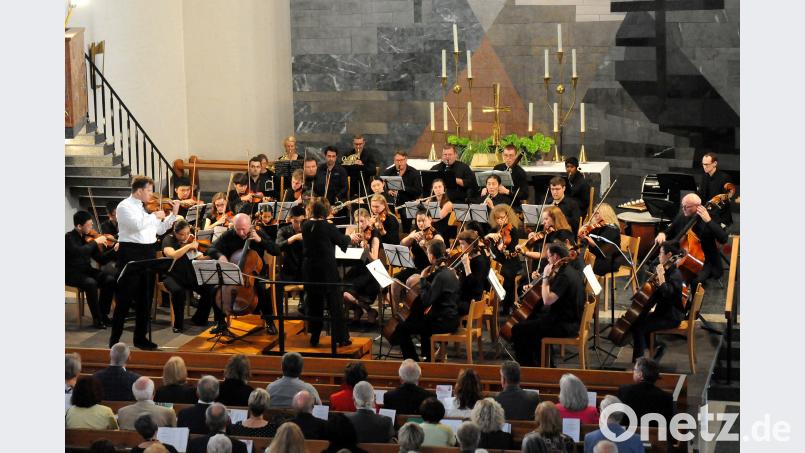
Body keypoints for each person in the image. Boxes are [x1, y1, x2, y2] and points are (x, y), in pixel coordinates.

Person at [110, 175, 179, 350]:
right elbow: (136, 226)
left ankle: (140, 339)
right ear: (139, 191)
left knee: (145, 300)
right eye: (149, 190)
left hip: (147, 253)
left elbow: (159, 229)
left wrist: (172, 216)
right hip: (131, 253)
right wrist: (154, 215)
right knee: (124, 300)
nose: (151, 194)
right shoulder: (124, 207)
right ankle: (114, 341)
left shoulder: (143, 208)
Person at [511, 243, 585, 367]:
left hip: (565, 325)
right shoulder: (569, 270)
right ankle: (545, 365)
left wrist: (545, 278)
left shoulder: (564, 276)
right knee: (534, 324)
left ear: (556, 256)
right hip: (567, 319)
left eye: (549, 256)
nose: (547, 259)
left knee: (518, 329)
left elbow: (548, 300)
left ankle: (529, 368)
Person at [206, 213, 277, 335]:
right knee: (215, 289)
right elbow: (211, 248)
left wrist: (260, 240)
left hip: (256, 274)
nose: (240, 233)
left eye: (243, 229)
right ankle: (220, 323)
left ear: (250, 226)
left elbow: (276, 250)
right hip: (233, 272)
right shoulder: (229, 234)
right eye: (237, 229)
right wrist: (220, 256)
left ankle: (269, 321)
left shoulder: (258, 233)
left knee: (261, 288)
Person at [390, 240, 460, 361]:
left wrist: (422, 279)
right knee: (423, 322)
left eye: (428, 253)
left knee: (401, 328)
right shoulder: (450, 272)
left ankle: (413, 360)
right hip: (452, 318)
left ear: (431, 256)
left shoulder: (440, 276)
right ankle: (427, 358)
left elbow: (427, 301)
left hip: (443, 322)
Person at [301, 199, 356, 347]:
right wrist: (350, 236)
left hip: (310, 270)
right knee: (335, 304)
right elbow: (342, 242)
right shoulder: (327, 226)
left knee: (314, 304)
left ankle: (315, 337)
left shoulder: (305, 225)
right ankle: (341, 338)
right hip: (326, 270)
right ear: (325, 212)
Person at [655, 193, 729, 289]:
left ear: (697, 207)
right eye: (683, 206)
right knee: (658, 264)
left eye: (687, 206)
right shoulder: (683, 215)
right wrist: (662, 234)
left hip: (706, 260)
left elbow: (724, 239)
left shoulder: (711, 217)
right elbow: (669, 231)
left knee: (695, 281)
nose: (683, 209)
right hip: (684, 254)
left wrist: (709, 221)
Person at [630, 241, 686, 362]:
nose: (659, 256)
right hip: (662, 313)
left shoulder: (675, 274)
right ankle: (656, 347)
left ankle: (638, 363)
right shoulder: (667, 270)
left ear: (669, 255)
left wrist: (660, 276)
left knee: (639, 327)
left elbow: (666, 293)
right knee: (638, 320)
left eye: (661, 253)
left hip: (671, 317)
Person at [66, 210, 117, 328]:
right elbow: (79, 252)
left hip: (86, 271)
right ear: (79, 226)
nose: (92, 226)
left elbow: (101, 259)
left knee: (109, 279)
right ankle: (97, 319)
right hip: (71, 273)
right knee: (91, 283)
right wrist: (95, 242)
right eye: (89, 225)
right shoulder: (68, 238)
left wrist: (114, 251)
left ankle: (103, 314)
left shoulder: (88, 238)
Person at [160, 219, 213, 333]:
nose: (185, 237)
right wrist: (188, 246)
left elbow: (199, 257)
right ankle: (178, 324)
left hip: (189, 275)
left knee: (209, 288)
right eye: (181, 234)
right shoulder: (168, 239)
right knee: (178, 291)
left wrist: (211, 255)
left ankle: (199, 319)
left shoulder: (189, 240)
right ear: (175, 232)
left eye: (187, 233)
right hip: (171, 276)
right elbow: (173, 254)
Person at [343, 208, 382, 324]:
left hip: (371, 271)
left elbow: (374, 259)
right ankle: (365, 310)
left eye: (362, 221)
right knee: (342, 290)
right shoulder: (351, 232)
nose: (359, 225)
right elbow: (344, 252)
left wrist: (366, 250)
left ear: (368, 220)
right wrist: (349, 241)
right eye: (356, 222)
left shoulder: (374, 234)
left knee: (347, 294)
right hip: (356, 269)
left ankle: (362, 310)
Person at [484, 204, 523, 314]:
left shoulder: (513, 231)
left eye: (503, 218)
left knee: (506, 275)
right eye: (498, 218)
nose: (500, 220)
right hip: (497, 260)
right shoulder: (494, 229)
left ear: (507, 217)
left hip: (510, 261)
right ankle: (489, 302)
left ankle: (507, 306)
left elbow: (513, 253)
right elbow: (485, 244)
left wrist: (503, 249)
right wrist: (488, 236)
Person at [617, 358, 674, 427]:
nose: (633, 372)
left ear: (640, 375)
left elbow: (618, 416)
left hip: (627, 435)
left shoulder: (624, 390)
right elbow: (668, 425)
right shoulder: (667, 397)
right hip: (654, 437)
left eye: (634, 370)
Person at [517, 206, 575, 273]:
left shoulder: (563, 234)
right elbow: (542, 254)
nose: (543, 222)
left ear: (555, 219)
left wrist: (525, 252)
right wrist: (525, 250)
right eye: (543, 219)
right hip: (549, 267)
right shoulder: (549, 233)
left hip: (558, 269)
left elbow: (543, 256)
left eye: (546, 219)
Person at [275, 204, 306, 314]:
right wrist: (294, 238)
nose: (299, 225)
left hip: (305, 271)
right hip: (289, 270)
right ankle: (277, 313)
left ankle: (305, 305)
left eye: (301, 221)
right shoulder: (284, 230)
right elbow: (277, 246)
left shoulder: (309, 229)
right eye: (295, 222)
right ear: (290, 220)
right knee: (275, 282)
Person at [578, 203, 624, 276]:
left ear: (605, 214)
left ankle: (593, 287)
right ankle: (585, 285)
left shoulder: (612, 229)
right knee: (579, 262)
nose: (594, 215)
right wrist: (580, 233)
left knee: (586, 267)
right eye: (594, 212)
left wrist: (593, 243)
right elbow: (585, 240)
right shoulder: (597, 226)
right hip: (597, 257)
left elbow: (606, 250)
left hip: (609, 260)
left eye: (597, 213)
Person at [455, 230, 490, 316]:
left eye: (462, 244)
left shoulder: (480, 262)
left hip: (471, 302)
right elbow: (464, 279)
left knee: (444, 305)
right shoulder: (469, 257)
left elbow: (475, 286)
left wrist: (467, 265)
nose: (460, 246)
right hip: (464, 296)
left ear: (471, 244)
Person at [699, 152, 733, 226]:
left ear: (714, 163)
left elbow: (725, 201)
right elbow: (701, 195)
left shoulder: (724, 178)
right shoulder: (704, 177)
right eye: (703, 164)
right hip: (707, 214)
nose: (704, 167)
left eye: (706, 164)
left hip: (720, 217)